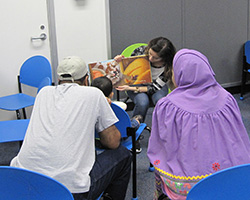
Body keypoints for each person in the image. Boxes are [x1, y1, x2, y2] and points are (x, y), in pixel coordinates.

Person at [10, 56, 132, 200]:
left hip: (22, 184)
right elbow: (112, 142)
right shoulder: (94, 94)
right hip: (68, 192)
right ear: (86, 80)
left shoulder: (43, 92)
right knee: (123, 154)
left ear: (59, 79)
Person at [147, 49, 250, 200]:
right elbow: (239, 135)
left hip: (185, 185)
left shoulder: (167, 105)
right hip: (233, 176)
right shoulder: (227, 98)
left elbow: (160, 145)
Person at [115, 37, 176, 122]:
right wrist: (118, 62)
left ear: (164, 58)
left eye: (156, 58)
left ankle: (162, 128)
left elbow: (153, 89)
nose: (150, 58)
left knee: (161, 102)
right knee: (142, 102)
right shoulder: (141, 51)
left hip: (156, 85)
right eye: (150, 54)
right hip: (137, 82)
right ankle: (135, 127)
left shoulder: (169, 67)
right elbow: (127, 72)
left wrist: (130, 88)